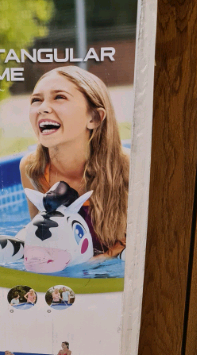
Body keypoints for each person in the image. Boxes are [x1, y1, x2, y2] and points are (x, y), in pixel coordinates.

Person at [20, 66, 128, 263]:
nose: (42, 108)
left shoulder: (126, 166)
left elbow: (139, 237)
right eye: (36, 100)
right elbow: (40, 239)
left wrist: (101, 260)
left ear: (94, 118)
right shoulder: (33, 168)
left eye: (59, 97)